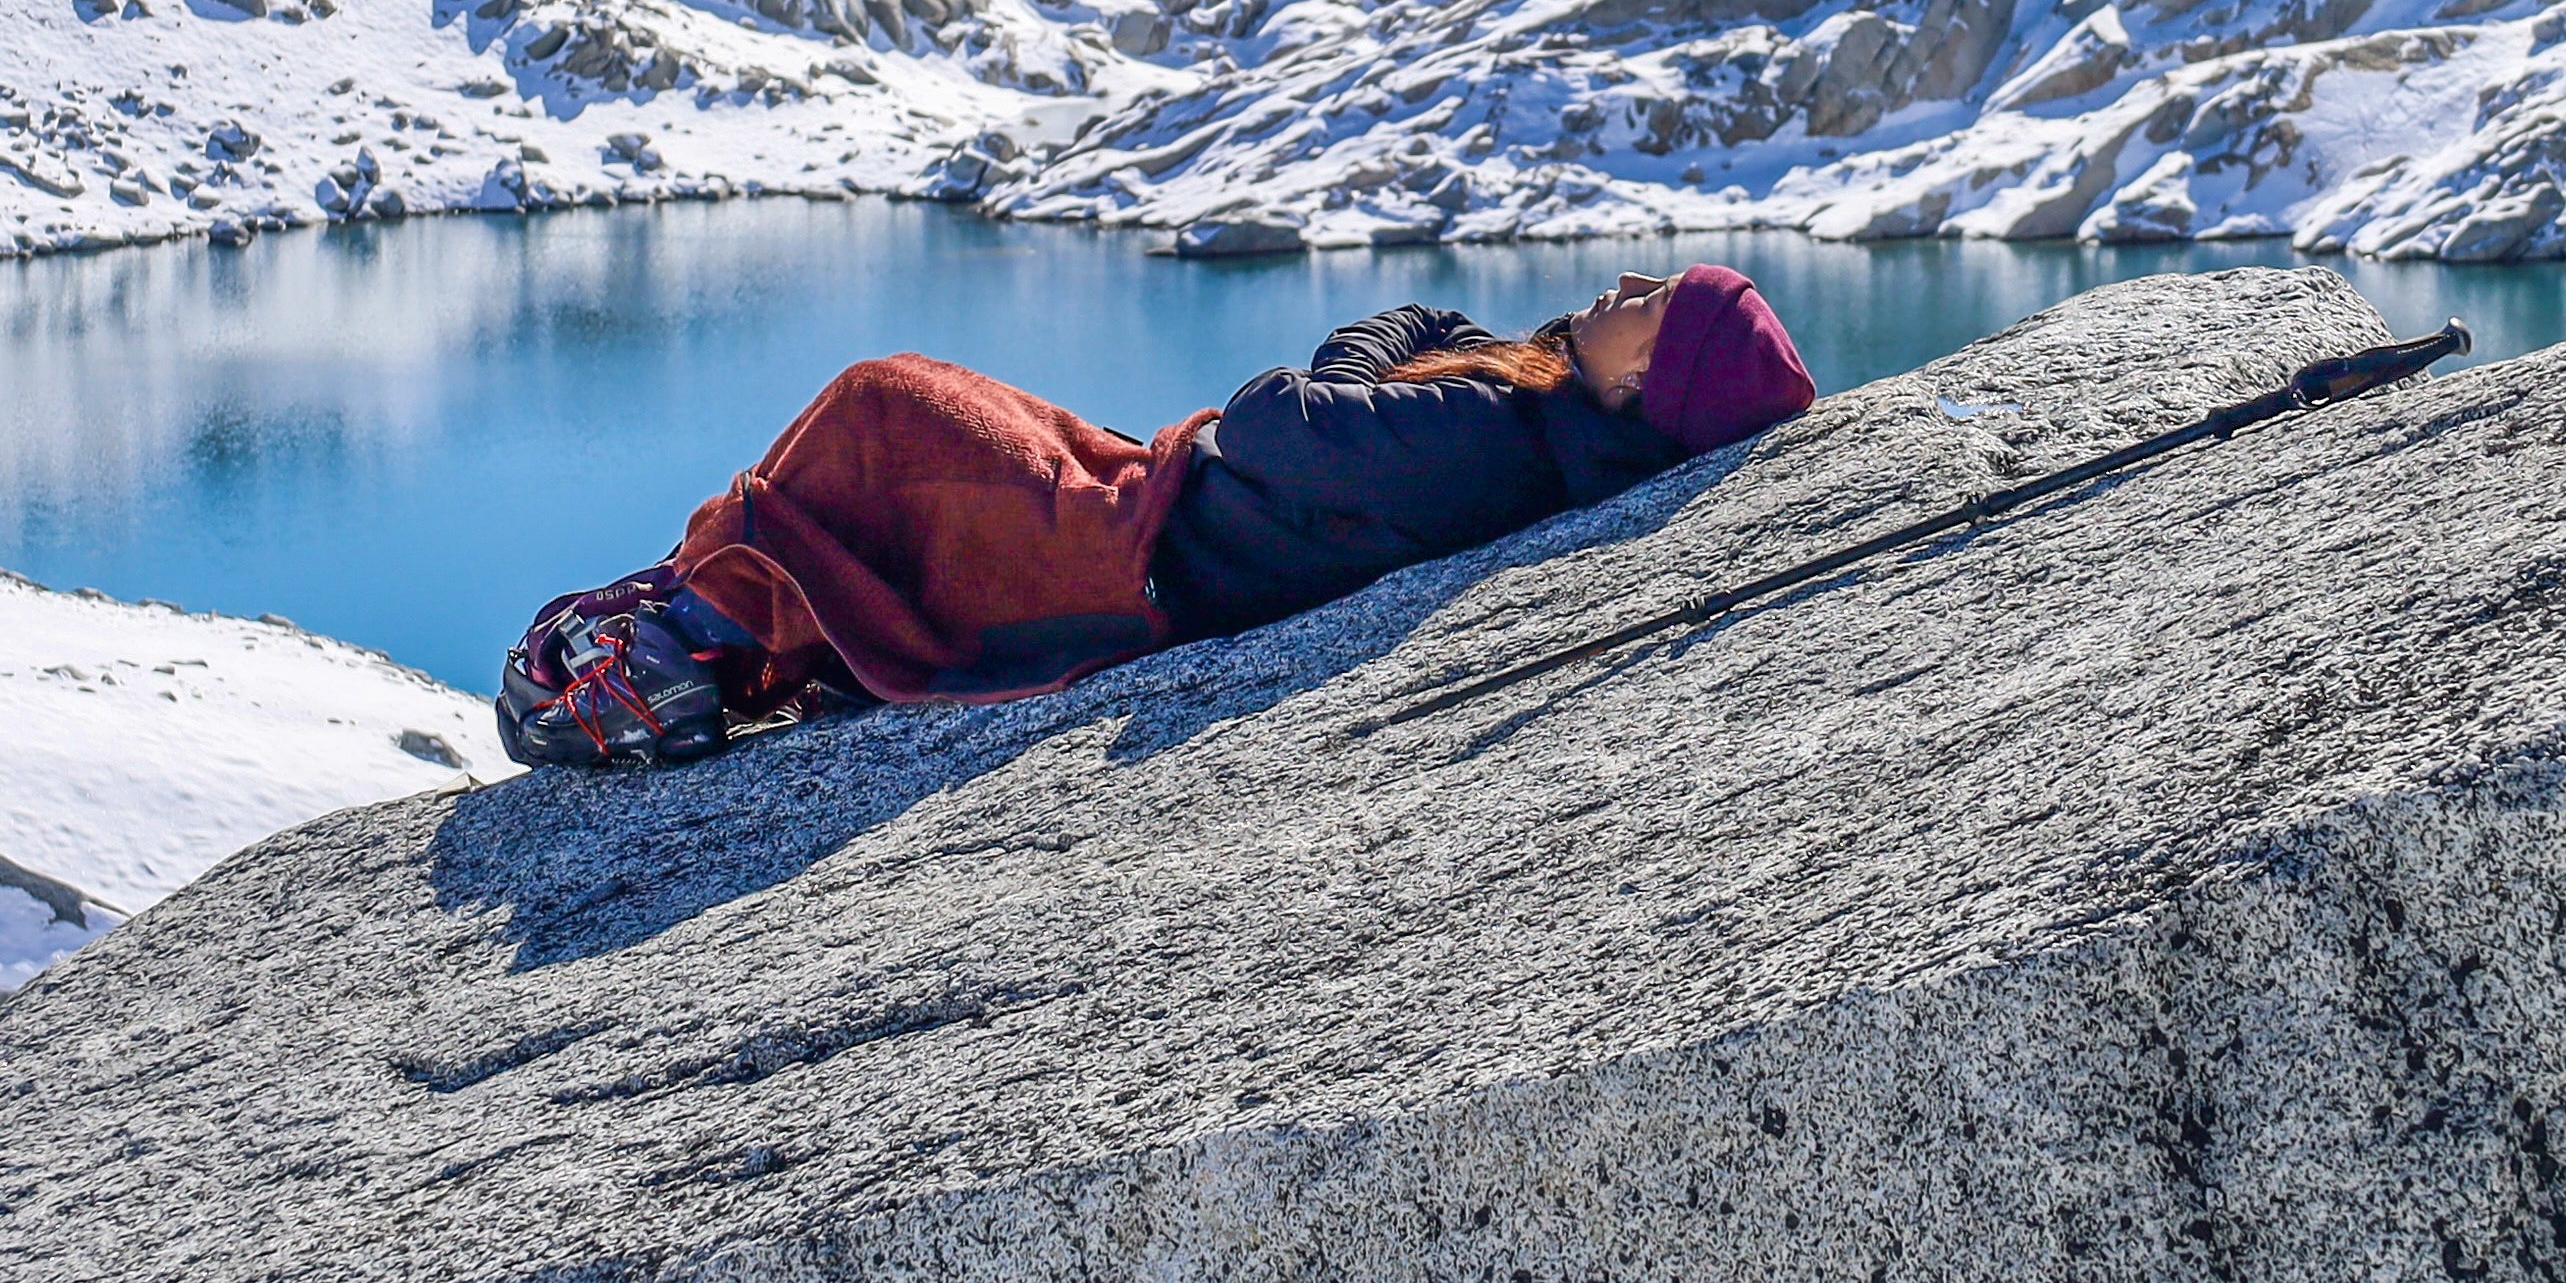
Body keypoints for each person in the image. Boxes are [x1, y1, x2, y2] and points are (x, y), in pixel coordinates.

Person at [495, 264, 1818, 767]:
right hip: (1156, 514)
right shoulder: (1531, 422)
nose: (1628, 276)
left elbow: (1270, 416)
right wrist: (1423, 345)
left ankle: (680, 646)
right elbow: (1406, 337)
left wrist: (1380, 361)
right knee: (906, 414)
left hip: (1135, 552)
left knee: (884, 411)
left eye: (1659, 296)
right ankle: (707, 626)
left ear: (1652, 378)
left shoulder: (1489, 439)